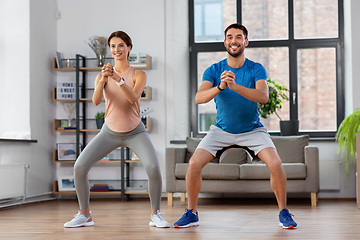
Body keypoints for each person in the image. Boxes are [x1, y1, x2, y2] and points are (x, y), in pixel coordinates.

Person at [173, 23, 297, 229]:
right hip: (221, 131)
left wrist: (235, 86)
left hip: (253, 130)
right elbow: (198, 98)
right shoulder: (214, 69)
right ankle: (191, 212)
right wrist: (220, 86)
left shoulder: (256, 68)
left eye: (239, 37)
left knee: (275, 164)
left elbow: (263, 97)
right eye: (230, 37)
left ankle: (284, 212)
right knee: (194, 164)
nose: (234, 41)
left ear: (245, 42)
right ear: (225, 42)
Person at [64, 31, 169, 228]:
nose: (117, 49)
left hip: (135, 131)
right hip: (109, 132)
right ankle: (85, 214)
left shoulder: (139, 74)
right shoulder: (102, 75)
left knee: (153, 168)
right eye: (113, 46)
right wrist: (104, 80)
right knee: (79, 167)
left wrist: (118, 79)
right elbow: (95, 101)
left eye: (121, 45)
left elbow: (132, 98)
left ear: (129, 48)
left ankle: (156, 214)